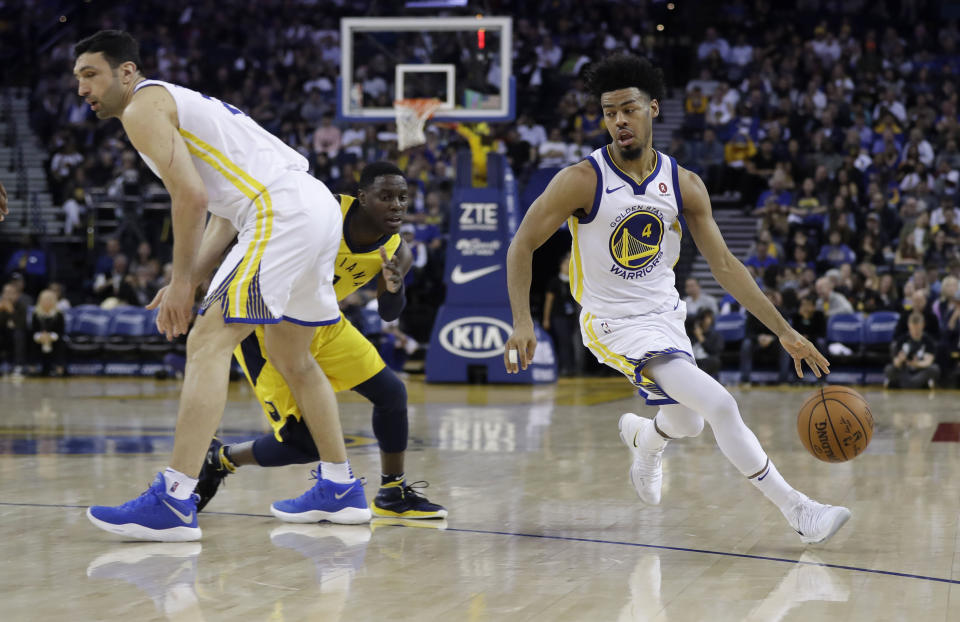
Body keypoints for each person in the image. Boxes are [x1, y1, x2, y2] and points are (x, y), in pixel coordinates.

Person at [503, 52, 849, 545]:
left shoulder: (684, 184)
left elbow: (726, 267)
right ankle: (799, 511)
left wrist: (786, 332)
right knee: (720, 405)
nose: (619, 120)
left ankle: (646, 440)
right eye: (609, 112)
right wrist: (522, 320)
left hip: (667, 317)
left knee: (685, 422)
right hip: (613, 322)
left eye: (629, 108)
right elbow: (521, 244)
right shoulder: (581, 180)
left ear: (654, 109)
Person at [77, 30, 365, 542]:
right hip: (312, 206)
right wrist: (188, 276)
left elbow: (188, 199)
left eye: (90, 74)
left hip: (280, 209)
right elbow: (223, 211)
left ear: (126, 71)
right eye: (77, 78)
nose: (82, 88)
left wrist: (183, 281)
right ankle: (341, 487)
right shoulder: (174, 103)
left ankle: (174, 497)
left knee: (208, 340)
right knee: (292, 355)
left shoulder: (144, 108)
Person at [196, 163, 446, 519]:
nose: (397, 206)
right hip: (269, 329)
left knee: (392, 394)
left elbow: (391, 313)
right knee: (304, 444)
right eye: (386, 197)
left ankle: (392, 491)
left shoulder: (396, 250)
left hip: (323, 323)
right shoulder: (323, 210)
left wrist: (394, 287)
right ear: (362, 198)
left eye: (403, 198)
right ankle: (221, 459)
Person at [885, 312, 940, 389]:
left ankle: (907, 384)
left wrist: (916, 364)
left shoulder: (928, 341)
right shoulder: (902, 340)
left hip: (920, 371)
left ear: (923, 325)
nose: (915, 331)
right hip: (904, 371)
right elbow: (896, 363)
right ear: (909, 325)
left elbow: (928, 362)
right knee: (889, 369)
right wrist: (900, 360)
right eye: (913, 328)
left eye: (917, 328)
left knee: (934, 369)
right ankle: (914, 384)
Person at [30, 289, 66, 376]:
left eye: (49, 300)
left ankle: (59, 369)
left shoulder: (59, 315)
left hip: (54, 338)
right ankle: (32, 369)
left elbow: (61, 331)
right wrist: (40, 336)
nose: (47, 302)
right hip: (40, 338)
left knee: (61, 343)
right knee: (31, 342)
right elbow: (33, 330)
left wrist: (50, 336)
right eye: (44, 300)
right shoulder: (36, 314)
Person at [687, 308, 722, 379]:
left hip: (706, 360)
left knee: (715, 361)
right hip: (693, 360)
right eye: (703, 317)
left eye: (708, 317)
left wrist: (701, 338)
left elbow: (714, 352)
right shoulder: (692, 333)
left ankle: (698, 379)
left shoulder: (715, 335)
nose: (706, 320)